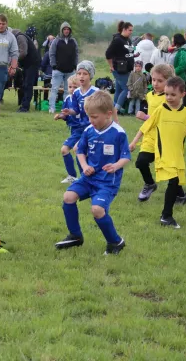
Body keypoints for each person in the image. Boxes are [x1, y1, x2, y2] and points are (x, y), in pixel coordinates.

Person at [54, 91, 129, 255]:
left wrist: (116, 166)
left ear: (108, 114)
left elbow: (126, 157)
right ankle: (75, 236)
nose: (91, 121)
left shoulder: (118, 133)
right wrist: (84, 165)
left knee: (97, 210)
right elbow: (80, 151)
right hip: (88, 178)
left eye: (94, 117)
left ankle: (115, 242)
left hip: (107, 182)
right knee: (68, 197)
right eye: (89, 116)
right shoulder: (89, 130)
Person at [130, 77, 186, 229]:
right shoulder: (161, 110)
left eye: (173, 95)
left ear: (183, 94)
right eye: (167, 94)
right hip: (163, 154)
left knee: (175, 183)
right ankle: (166, 216)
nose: (168, 97)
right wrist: (134, 142)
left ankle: (175, 204)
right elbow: (145, 127)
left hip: (177, 155)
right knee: (173, 181)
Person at [131, 64, 175, 202]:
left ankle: (180, 194)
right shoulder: (149, 95)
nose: (155, 83)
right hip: (150, 136)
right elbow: (149, 121)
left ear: (168, 81)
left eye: (160, 81)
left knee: (169, 171)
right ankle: (149, 184)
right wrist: (135, 140)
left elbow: (167, 119)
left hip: (164, 138)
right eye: (153, 80)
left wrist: (145, 117)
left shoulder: (170, 99)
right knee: (141, 162)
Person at [106, 21, 138, 113]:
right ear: (124, 29)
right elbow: (108, 53)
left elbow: (128, 52)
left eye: (132, 30)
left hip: (127, 68)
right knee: (126, 88)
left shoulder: (128, 40)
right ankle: (116, 109)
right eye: (129, 30)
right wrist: (111, 66)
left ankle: (113, 108)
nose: (131, 32)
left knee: (119, 89)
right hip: (119, 69)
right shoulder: (117, 40)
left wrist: (134, 55)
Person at [48, 22, 79, 113]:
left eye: (68, 29)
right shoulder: (56, 41)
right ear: (62, 30)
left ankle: (66, 108)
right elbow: (51, 53)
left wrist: (75, 65)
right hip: (58, 70)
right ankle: (52, 108)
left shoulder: (73, 41)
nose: (66, 31)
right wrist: (53, 65)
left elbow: (76, 54)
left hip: (70, 70)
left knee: (68, 91)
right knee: (54, 89)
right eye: (64, 29)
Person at [11, 27, 40, 112]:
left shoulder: (20, 37)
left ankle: (25, 107)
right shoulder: (18, 37)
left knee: (28, 85)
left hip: (32, 63)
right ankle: (23, 104)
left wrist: (14, 61)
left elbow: (23, 52)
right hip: (27, 64)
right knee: (24, 84)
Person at [172, 33, 186, 108]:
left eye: (173, 39)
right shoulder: (181, 50)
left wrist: (173, 72)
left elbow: (182, 66)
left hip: (182, 76)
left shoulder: (183, 51)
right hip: (181, 75)